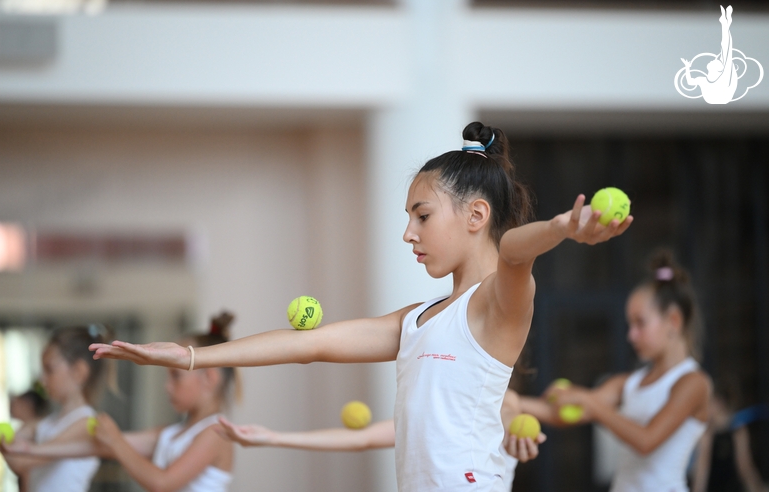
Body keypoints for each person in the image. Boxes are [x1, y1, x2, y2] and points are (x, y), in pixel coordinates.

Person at [90, 121, 632, 491]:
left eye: (422, 216)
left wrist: (561, 228)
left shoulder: (498, 307)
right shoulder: (417, 319)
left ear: (476, 216)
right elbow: (311, 344)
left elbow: (513, 253)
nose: (408, 233)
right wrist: (187, 356)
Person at [519, 250, 712, 492]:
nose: (631, 335)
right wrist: (514, 401)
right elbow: (571, 412)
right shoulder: (628, 383)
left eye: (640, 323)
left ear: (673, 321)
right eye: (630, 324)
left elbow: (646, 441)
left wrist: (589, 400)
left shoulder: (694, 382)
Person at [0, 312, 238, 492]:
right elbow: (93, 446)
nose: (167, 386)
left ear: (209, 378)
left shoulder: (217, 433)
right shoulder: (169, 434)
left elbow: (162, 482)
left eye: (175, 375)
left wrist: (115, 441)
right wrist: (31, 450)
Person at [217, 389, 546, 491]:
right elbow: (362, 439)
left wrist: (513, 433)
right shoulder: (432, 411)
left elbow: (507, 414)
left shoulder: (504, 398)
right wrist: (273, 437)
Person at [0, 325, 115, 492]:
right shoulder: (44, 424)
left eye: (49, 369)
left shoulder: (87, 424)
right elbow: (12, 444)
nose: (42, 379)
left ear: (79, 371)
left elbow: (20, 460)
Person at [691, 381, 768, 492]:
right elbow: (702, 470)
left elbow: (745, 467)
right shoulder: (708, 433)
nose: (705, 406)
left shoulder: (738, 430)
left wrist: (759, 488)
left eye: (709, 402)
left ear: (719, 403)